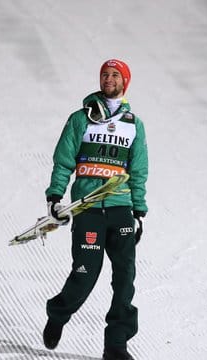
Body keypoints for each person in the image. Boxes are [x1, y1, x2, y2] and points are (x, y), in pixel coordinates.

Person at [42, 59, 148, 360]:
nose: (109, 79)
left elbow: (138, 169)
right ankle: (58, 313)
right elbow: (63, 160)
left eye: (115, 75)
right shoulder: (80, 119)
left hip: (120, 207)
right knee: (85, 273)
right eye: (105, 74)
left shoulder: (134, 125)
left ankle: (116, 344)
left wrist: (138, 210)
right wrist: (55, 195)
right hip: (87, 207)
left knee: (125, 276)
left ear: (124, 82)